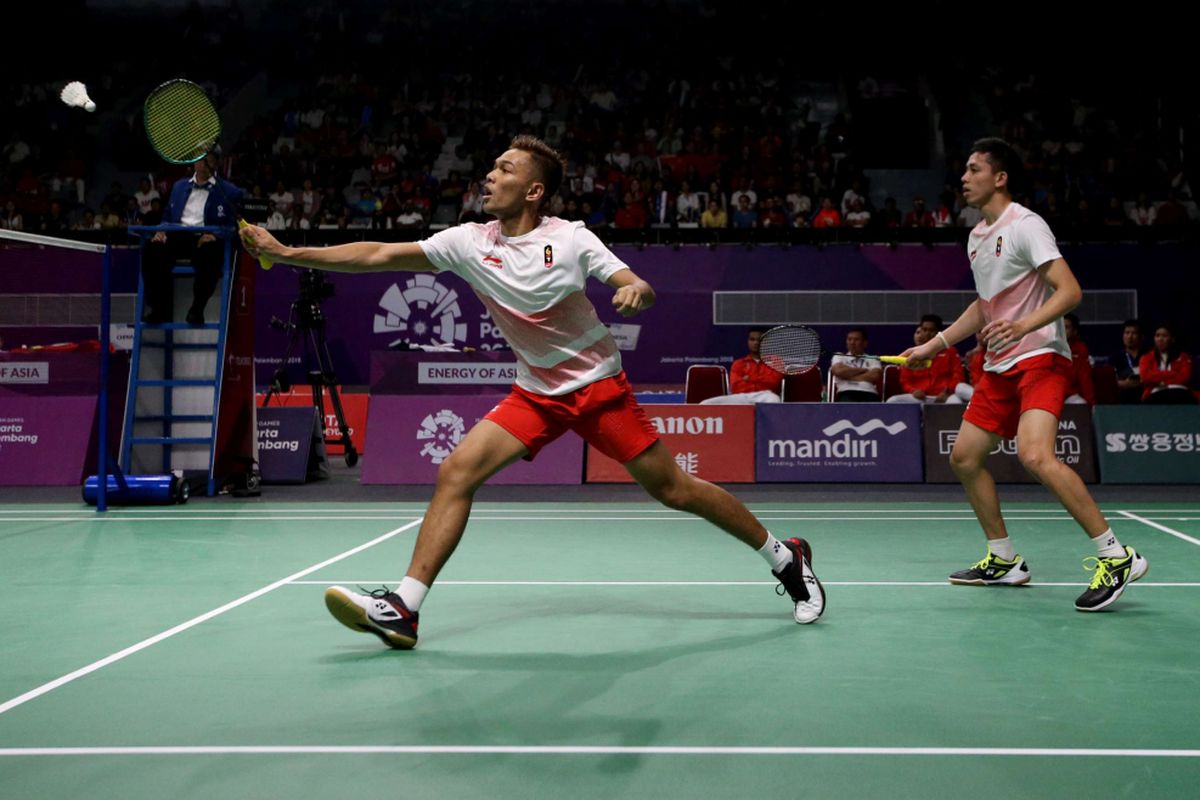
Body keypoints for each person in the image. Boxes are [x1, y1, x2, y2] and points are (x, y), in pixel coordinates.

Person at [241, 135, 825, 648]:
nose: (490, 175)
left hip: (598, 389)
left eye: (505, 168)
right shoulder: (469, 241)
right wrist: (288, 252)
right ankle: (404, 609)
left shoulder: (571, 240)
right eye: (491, 167)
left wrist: (636, 291)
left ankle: (783, 555)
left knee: (674, 490)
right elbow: (377, 254)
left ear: (535, 190)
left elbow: (629, 280)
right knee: (457, 473)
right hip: (535, 394)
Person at [901, 137, 1146, 612]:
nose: (964, 178)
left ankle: (1115, 555)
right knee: (965, 458)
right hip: (998, 367)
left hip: (1040, 358)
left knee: (1035, 456)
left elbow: (1069, 291)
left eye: (973, 170)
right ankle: (1004, 559)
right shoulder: (976, 238)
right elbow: (985, 306)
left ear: (1000, 177)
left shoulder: (1026, 225)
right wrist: (934, 345)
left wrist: (1023, 327)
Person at [140, 153, 244, 325]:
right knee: (152, 250)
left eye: (208, 160)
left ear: (215, 163)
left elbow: (234, 224)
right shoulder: (179, 186)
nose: (203, 164)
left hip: (206, 239)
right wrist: (162, 230)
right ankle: (158, 309)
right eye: (200, 159)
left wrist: (216, 235)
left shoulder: (229, 191)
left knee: (210, 254)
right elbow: (167, 214)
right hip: (178, 237)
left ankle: (197, 309)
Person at [886, 315, 963, 404]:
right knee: (893, 401)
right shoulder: (914, 354)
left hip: (945, 395)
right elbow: (905, 380)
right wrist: (913, 391)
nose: (927, 333)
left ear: (939, 333)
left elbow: (958, 375)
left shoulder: (950, 352)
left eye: (931, 330)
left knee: (956, 402)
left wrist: (948, 391)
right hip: (921, 397)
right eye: (924, 330)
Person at [701, 327, 784, 405]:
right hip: (742, 397)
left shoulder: (776, 361)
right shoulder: (738, 364)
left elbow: (773, 383)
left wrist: (748, 378)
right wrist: (761, 379)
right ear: (748, 341)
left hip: (765, 396)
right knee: (706, 403)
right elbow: (735, 387)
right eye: (752, 339)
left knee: (774, 399)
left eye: (759, 340)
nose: (756, 343)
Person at [1138, 323, 1195, 404]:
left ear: (1172, 339)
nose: (1160, 339)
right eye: (1157, 336)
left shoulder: (1183, 357)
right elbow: (1145, 377)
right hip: (1155, 393)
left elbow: (1185, 377)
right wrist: (1173, 374)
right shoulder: (1146, 357)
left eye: (1164, 336)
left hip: (1180, 392)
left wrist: (1160, 379)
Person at [829, 328, 881, 401]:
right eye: (849, 339)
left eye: (856, 340)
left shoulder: (873, 358)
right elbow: (839, 371)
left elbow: (875, 375)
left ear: (865, 343)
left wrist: (847, 376)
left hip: (869, 392)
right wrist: (864, 370)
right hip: (846, 392)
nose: (852, 342)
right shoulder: (839, 356)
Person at [1062, 313, 1095, 405]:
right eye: (1061, 327)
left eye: (1067, 327)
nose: (1063, 331)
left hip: (1071, 395)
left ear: (1075, 331)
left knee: (1080, 404)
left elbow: (1085, 378)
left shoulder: (1080, 350)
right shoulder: (1050, 348)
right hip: (1052, 392)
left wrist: (1091, 402)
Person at [1109, 319, 1144, 404]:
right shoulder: (1115, 357)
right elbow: (1109, 380)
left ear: (1141, 337)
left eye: (1134, 333)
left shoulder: (1147, 355)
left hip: (1143, 390)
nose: (1130, 337)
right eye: (1127, 333)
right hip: (1123, 393)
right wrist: (1121, 383)